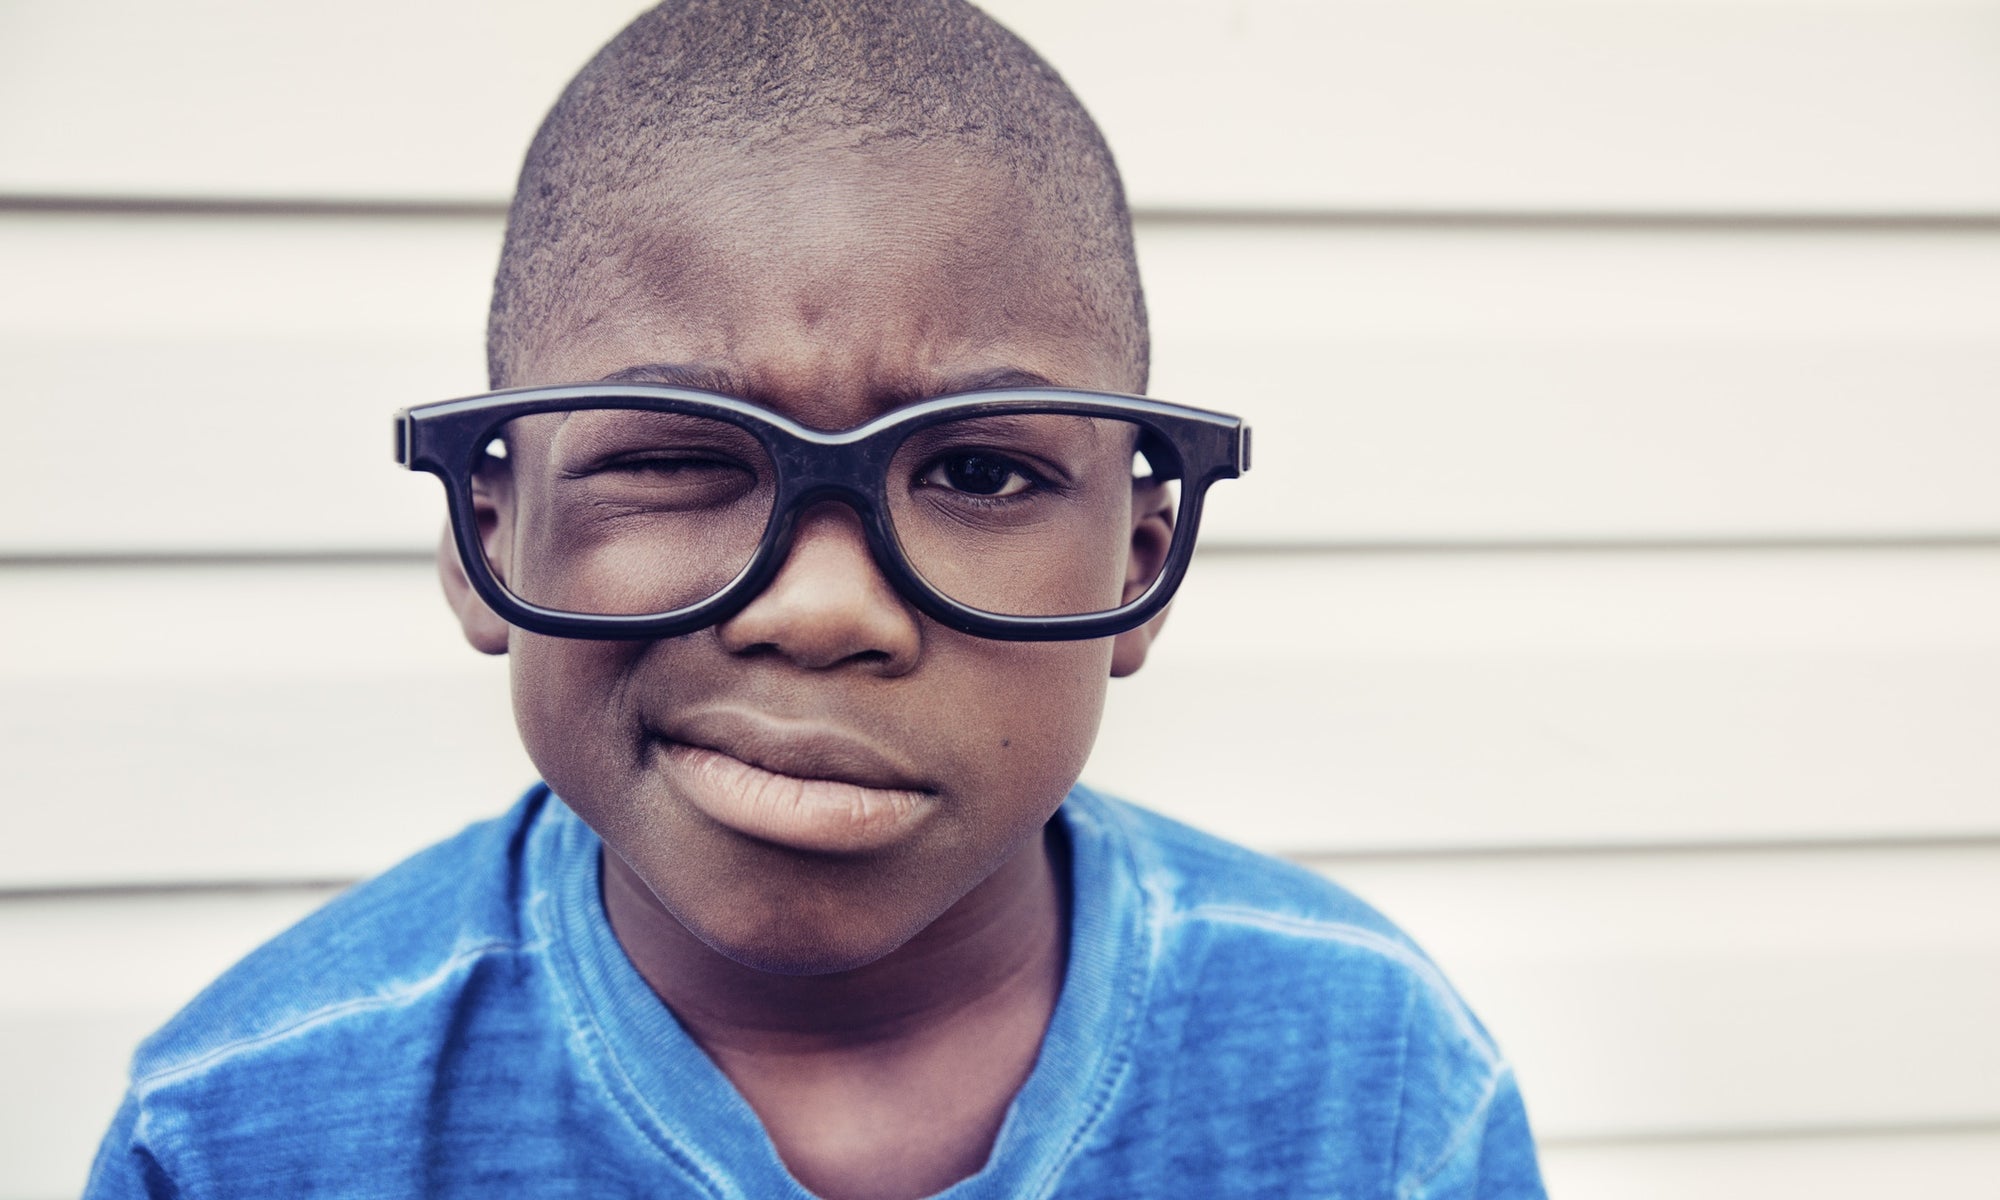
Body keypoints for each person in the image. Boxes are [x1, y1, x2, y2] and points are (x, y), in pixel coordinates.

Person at [86, 2, 1544, 1196]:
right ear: (490, 540)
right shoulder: (242, 1137)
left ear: (1141, 567)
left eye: (979, 471)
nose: (826, 605)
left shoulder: (1376, 1086)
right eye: (669, 459)